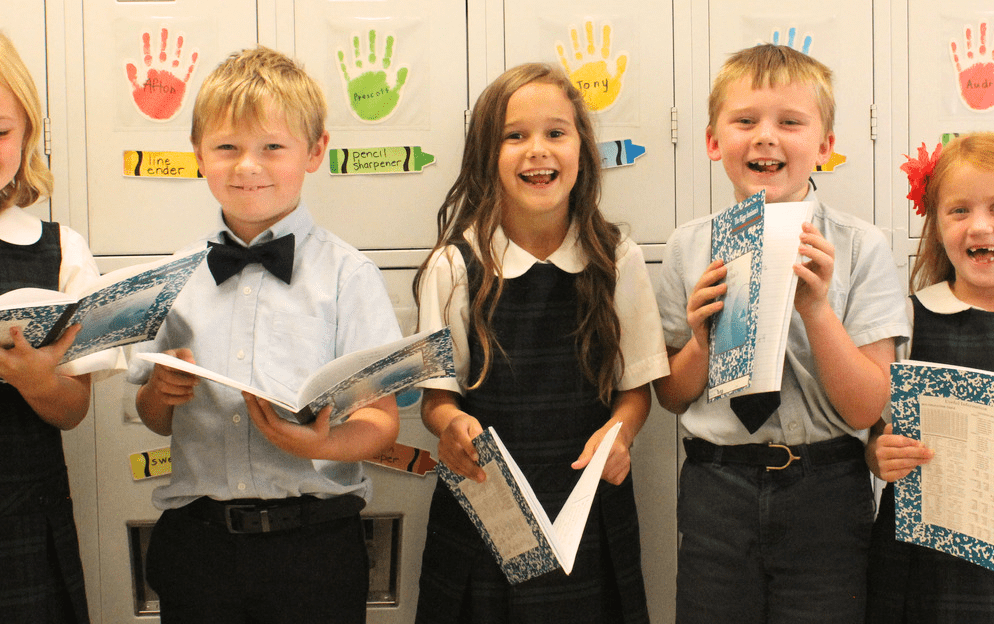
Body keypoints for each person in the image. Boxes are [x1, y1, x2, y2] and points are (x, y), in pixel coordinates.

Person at [127, 46, 401, 624]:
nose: (247, 166)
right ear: (198, 155)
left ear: (315, 150)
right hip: (197, 546)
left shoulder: (349, 276)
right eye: (227, 147)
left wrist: (319, 445)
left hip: (316, 550)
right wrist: (159, 395)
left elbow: (380, 424)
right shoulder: (171, 279)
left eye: (272, 147)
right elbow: (153, 416)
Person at [653, 43, 910, 624]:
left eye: (790, 122)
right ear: (714, 141)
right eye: (745, 121)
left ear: (825, 147)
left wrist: (818, 310)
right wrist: (701, 340)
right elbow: (671, 395)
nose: (766, 136)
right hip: (718, 484)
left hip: (826, 485)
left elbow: (871, 403)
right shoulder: (686, 248)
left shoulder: (858, 246)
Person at [413, 62, 669, 624]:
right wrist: (450, 426)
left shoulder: (616, 259)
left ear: (582, 149)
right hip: (484, 512)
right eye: (514, 135)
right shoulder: (455, 266)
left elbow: (636, 392)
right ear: (487, 154)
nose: (538, 150)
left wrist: (620, 433)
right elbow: (437, 399)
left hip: (588, 513)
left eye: (556, 133)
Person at [865, 132, 994, 623]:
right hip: (922, 562)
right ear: (935, 224)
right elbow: (872, 431)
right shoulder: (909, 321)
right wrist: (879, 454)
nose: (980, 226)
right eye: (959, 211)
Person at [0, 31, 122, 624]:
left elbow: (74, 408)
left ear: (27, 134)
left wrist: (35, 379)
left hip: (21, 522)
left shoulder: (60, 251)